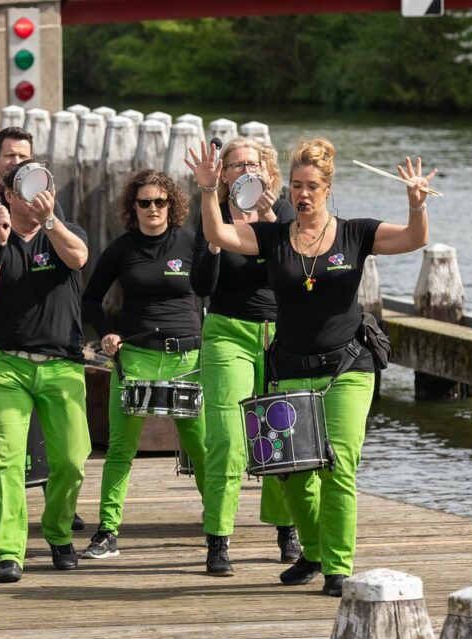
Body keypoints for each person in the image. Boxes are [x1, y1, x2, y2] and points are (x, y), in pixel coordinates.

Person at [187, 137, 435, 597]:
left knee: (337, 466)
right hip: (291, 368)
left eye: (312, 187)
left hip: (347, 367)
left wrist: (416, 205)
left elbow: (414, 239)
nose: (303, 195)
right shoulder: (274, 236)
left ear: (327, 189)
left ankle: (337, 568)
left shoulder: (355, 233)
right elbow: (219, 236)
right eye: (297, 186)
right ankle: (315, 551)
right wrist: (207, 192)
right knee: (293, 472)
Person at [0, 159, 91, 583]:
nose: (38, 196)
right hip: (7, 364)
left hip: (62, 364)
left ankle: (57, 533)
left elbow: (78, 259)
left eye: (44, 187)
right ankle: (8, 550)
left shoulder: (64, 231)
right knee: (4, 461)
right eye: (28, 189)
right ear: (8, 196)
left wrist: (51, 220)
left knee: (72, 460)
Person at [80, 169, 207, 561]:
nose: (153, 209)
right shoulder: (121, 249)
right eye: (144, 202)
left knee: (200, 446)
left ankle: (217, 522)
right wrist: (105, 333)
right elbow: (90, 300)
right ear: (132, 208)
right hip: (134, 358)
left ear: (173, 205)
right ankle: (107, 530)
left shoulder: (190, 243)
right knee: (121, 447)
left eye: (160, 202)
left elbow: (215, 290)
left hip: (187, 358)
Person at [189, 137, 300, 577]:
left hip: (279, 336)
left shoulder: (286, 211)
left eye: (252, 163)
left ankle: (286, 528)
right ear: (223, 174)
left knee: (282, 436)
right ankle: (218, 539)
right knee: (229, 440)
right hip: (227, 333)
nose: (243, 170)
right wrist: (217, 242)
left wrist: (272, 219)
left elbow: (296, 270)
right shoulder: (213, 215)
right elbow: (200, 284)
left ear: (267, 170)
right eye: (234, 165)